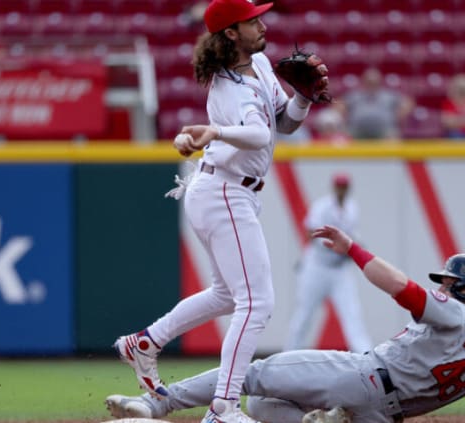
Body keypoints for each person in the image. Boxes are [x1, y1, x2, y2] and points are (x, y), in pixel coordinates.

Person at [106, 225, 465, 423]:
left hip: (362, 376)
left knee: (254, 374)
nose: (446, 286)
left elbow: (403, 289)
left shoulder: (454, 314)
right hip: (381, 417)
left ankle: (157, 402)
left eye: (453, 281)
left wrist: (354, 250)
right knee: (260, 408)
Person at [113, 0, 327, 422]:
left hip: (228, 191)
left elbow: (281, 123)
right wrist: (216, 130)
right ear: (230, 33)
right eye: (252, 21)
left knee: (229, 295)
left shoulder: (262, 64)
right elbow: (256, 132)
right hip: (224, 190)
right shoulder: (226, 86)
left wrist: (303, 97)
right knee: (257, 302)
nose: (262, 24)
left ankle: (145, 342)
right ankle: (225, 406)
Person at [284, 173, 371, 353]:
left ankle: (366, 357)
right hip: (317, 266)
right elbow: (310, 232)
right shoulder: (322, 206)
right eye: (339, 186)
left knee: (353, 314)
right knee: (304, 315)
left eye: (344, 186)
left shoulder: (352, 208)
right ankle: (288, 355)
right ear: (334, 187)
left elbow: (353, 237)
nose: (341, 189)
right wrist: (337, 246)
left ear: (348, 188)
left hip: (339, 269)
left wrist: (353, 247)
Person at [334, 67, 415, 141]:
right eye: (369, 81)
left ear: (379, 81)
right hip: (357, 129)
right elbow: (338, 103)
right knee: (342, 139)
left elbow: (408, 102)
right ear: (364, 81)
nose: (372, 83)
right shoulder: (355, 95)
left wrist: (398, 115)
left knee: (393, 137)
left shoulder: (388, 95)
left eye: (374, 81)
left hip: (384, 129)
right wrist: (344, 115)